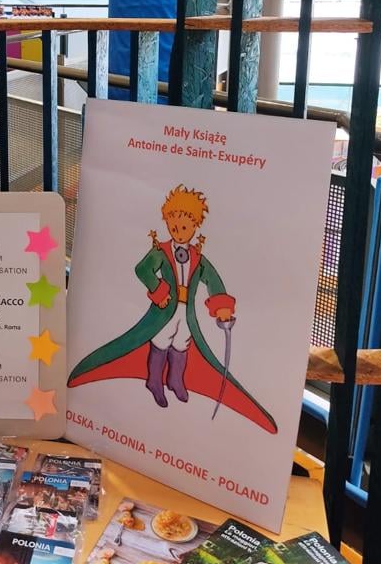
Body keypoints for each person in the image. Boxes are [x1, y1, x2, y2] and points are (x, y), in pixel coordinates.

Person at [68, 185, 277, 433]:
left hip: (186, 314)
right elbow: (143, 269)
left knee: (182, 345)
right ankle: (154, 381)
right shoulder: (161, 252)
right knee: (161, 343)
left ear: (195, 226)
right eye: (174, 227)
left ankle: (176, 381)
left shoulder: (197, 257)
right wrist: (158, 289)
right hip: (164, 312)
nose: (179, 232)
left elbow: (212, 280)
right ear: (167, 223)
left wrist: (221, 307)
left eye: (184, 227)